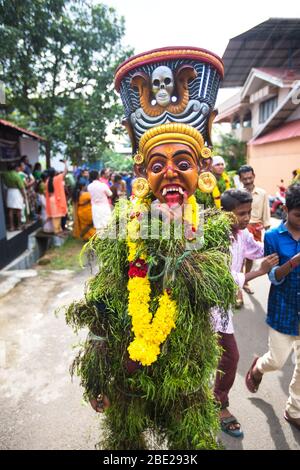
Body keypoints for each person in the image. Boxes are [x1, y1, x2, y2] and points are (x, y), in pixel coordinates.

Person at [212, 189, 278, 437]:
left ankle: (216, 401)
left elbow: (257, 250)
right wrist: (258, 273)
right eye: (241, 213)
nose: (246, 218)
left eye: (248, 212)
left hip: (222, 308)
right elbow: (221, 278)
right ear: (224, 213)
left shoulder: (240, 234)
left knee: (227, 358)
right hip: (205, 307)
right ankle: (217, 405)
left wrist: (282, 242)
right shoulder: (214, 238)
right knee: (229, 358)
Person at [245, 184, 300, 431]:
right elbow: (274, 277)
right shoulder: (273, 237)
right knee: (277, 362)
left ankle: (294, 410)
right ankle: (257, 367)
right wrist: (294, 262)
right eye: (299, 214)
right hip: (283, 309)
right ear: (286, 210)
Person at [238, 165, 271, 295]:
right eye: (244, 178)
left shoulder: (262, 193)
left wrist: (267, 227)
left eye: (250, 178)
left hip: (256, 227)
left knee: (250, 257)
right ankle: (238, 289)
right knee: (239, 257)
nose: (248, 181)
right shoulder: (237, 194)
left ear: (254, 176)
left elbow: (266, 211)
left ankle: (246, 281)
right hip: (241, 228)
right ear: (240, 179)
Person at [1, 162, 26, 231]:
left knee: (10, 210)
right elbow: (21, 187)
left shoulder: (5, 174)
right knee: (18, 210)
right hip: (16, 192)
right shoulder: (16, 175)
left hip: (9, 192)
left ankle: (11, 227)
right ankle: (19, 226)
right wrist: (24, 196)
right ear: (15, 168)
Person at [45, 161, 68, 235]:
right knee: (57, 216)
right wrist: (65, 163)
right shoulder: (57, 178)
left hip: (51, 199)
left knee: (56, 215)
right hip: (56, 200)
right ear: (54, 173)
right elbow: (65, 172)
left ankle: (59, 229)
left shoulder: (47, 181)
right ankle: (57, 231)